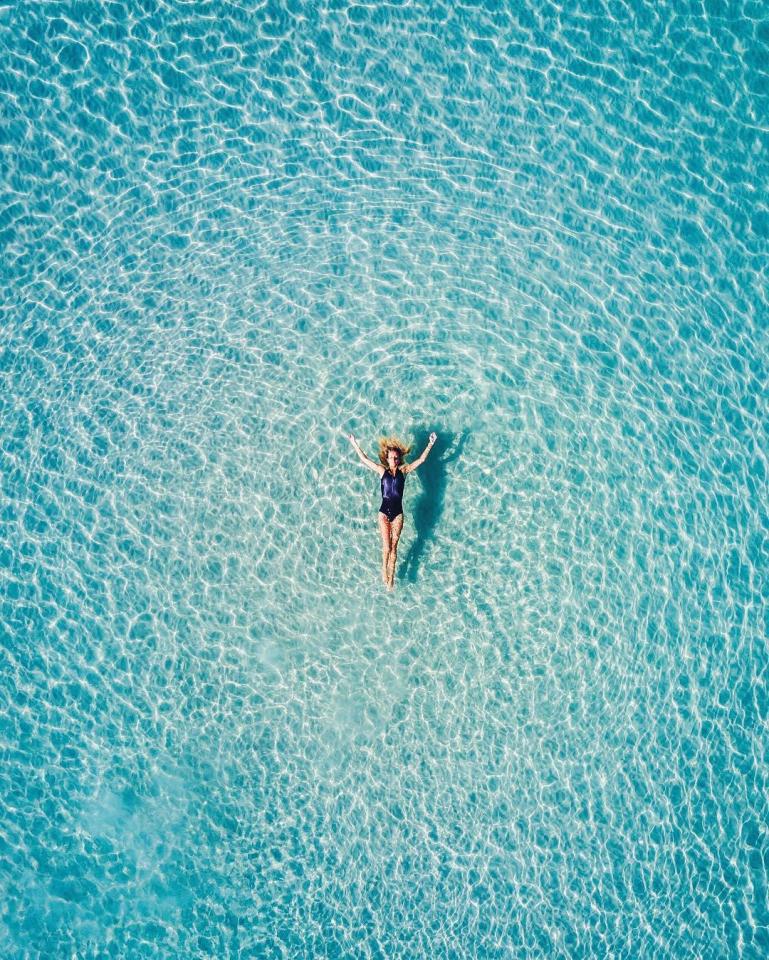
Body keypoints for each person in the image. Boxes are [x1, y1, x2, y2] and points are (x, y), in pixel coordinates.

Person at [348, 431, 437, 590]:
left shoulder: (404, 471)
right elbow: (364, 459)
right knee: (387, 547)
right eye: (391, 458)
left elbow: (421, 460)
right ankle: (384, 569)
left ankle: (391, 577)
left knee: (394, 547)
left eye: (396, 458)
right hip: (383, 513)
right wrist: (354, 442)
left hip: (398, 515)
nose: (394, 460)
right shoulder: (382, 471)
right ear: (387, 459)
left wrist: (430, 443)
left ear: (399, 458)